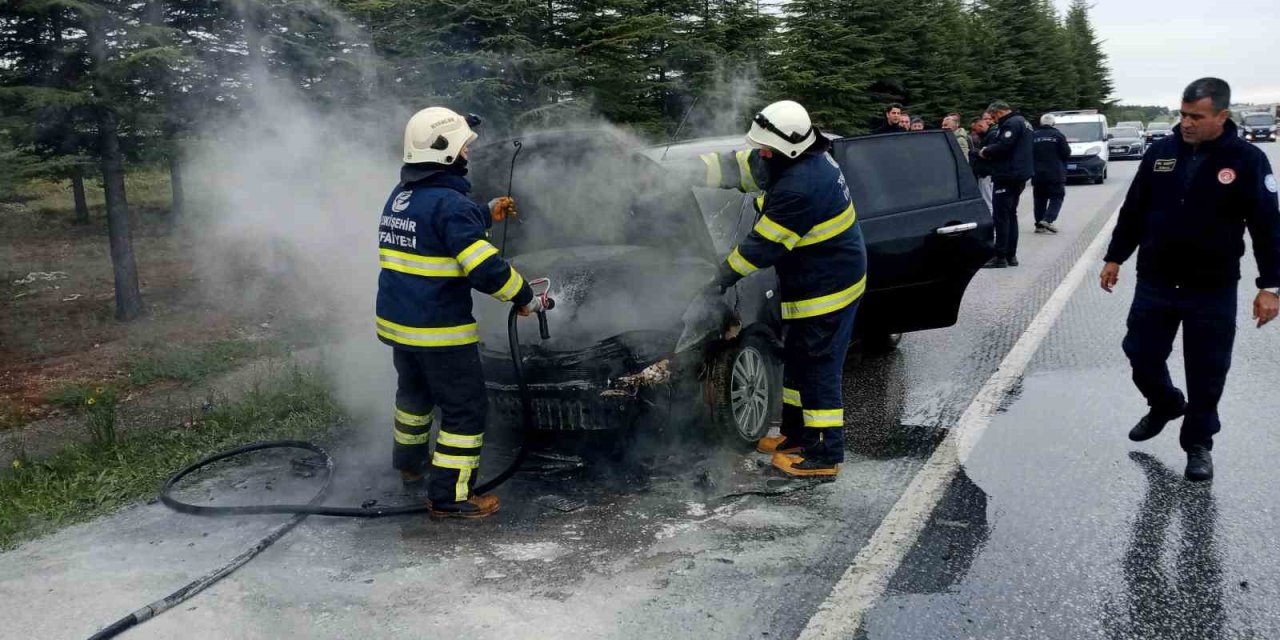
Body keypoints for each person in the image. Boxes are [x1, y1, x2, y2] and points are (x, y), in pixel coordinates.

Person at [1100, 77, 1280, 482]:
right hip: (1157, 281)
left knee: (1207, 370)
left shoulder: (1247, 159)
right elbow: (1134, 209)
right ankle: (1164, 402)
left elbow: (1268, 226)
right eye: (1182, 114)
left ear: (1221, 115)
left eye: (1196, 116)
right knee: (1140, 352)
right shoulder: (1161, 153)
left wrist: (1271, 286)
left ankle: (1198, 443)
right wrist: (1115, 257)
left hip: (1211, 286)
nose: (1186, 123)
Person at [376, 107, 547, 518]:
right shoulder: (451, 205)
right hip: (439, 332)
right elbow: (485, 269)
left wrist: (485, 213)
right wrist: (524, 297)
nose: (470, 150)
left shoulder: (401, 197)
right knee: (465, 410)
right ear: (448, 153)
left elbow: (435, 234)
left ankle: (410, 466)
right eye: (465, 145)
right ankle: (450, 497)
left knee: (413, 399)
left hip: (401, 328)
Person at [698, 100, 868, 477]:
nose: (761, 152)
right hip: (811, 278)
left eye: (767, 148)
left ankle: (823, 455)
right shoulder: (797, 154)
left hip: (828, 288)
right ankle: (794, 435)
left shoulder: (802, 186)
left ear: (787, 148)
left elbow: (761, 248)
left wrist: (718, 279)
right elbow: (746, 166)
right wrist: (687, 172)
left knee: (818, 366)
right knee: (797, 357)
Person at [978, 101, 1034, 268]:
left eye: (993, 117)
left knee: (1001, 216)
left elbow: (1005, 145)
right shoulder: (1024, 122)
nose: (993, 121)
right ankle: (1011, 255)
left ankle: (1000, 256)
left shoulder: (1011, 123)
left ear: (999, 112)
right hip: (1020, 175)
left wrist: (985, 151)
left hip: (1007, 174)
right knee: (1011, 215)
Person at [1031, 113, 1071, 234]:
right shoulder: (1058, 135)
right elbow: (1066, 153)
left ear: (1041, 123)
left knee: (1039, 199)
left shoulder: (1033, 136)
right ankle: (1048, 219)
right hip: (1055, 173)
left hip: (1037, 173)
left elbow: (1027, 153)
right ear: (1053, 123)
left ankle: (1039, 224)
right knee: (1057, 196)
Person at [969, 115, 996, 212]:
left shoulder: (991, 135)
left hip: (987, 173)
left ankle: (992, 224)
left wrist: (975, 152)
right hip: (986, 173)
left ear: (980, 126)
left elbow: (987, 154)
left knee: (988, 203)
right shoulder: (987, 135)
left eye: (975, 129)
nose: (974, 133)